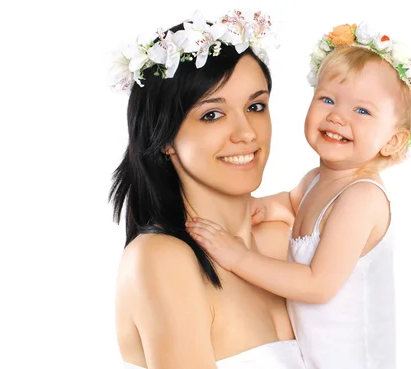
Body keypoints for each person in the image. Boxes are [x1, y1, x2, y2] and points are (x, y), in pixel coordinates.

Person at [186, 22, 411, 369]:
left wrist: (237, 257)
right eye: (328, 99)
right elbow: (291, 203)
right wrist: (257, 208)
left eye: (362, 111)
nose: (337, 116)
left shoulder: (361, 199)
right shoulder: (316, 181)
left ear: (393, 141)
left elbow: (318, 284)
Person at [109, 10, 305, 369]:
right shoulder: (161, 259)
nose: (247, 133)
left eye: (255, 106)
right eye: (212, 115)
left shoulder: (284, 240)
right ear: (165, 137)